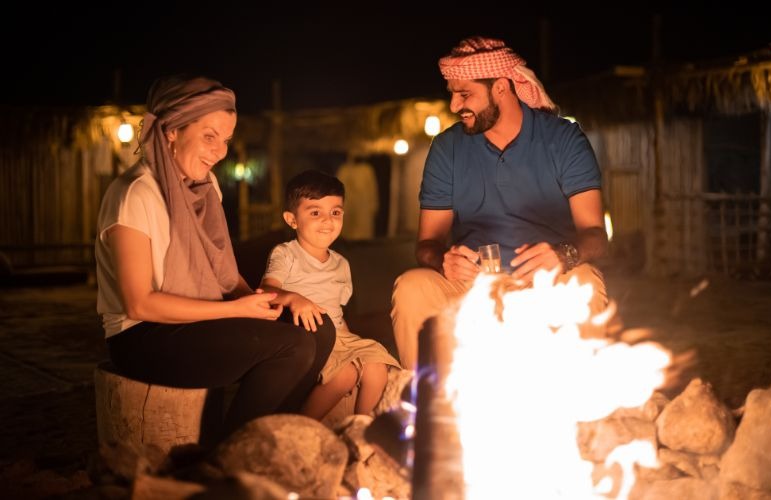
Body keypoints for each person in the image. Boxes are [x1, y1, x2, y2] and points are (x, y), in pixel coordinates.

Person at [95, 76, 335, 438]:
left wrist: (274, 300)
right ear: (171, 130)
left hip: (202, 319)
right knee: (292, 345)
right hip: (144, 337)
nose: (220, 151)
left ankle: (271, 438)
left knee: (316, 328)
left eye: (225, 139)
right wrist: (235, 310)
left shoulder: (204, 189)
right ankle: (230, 454)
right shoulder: (135, 194)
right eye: (210, 136)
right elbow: (139, 304)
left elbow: (222, 276)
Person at [391, 36, 609, 370]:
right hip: (471, 284)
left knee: (586, 282)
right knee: (411, 287)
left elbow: (595, 235)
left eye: (465, 94)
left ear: (502, 88)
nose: (453, 105)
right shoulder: (447, 149)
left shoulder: (563, 140)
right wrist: (442, 261)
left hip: (546, 281)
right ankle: (429, 406)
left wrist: (563, 256)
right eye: (451, 93)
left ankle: (580, 407)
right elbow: (426, 244)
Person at [260, 170, 400, 420]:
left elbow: (338, 313)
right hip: (308, 336)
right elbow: (267, 291)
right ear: (292, 220)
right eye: (315, 212)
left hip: (339, 336)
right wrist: (293, 298)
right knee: (345, 374)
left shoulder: (341, 263)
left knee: (377, 366)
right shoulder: (286, 254)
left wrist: (351, 343)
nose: (328, 221)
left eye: (335, 212)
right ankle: (303, 426)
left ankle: (360, 430)